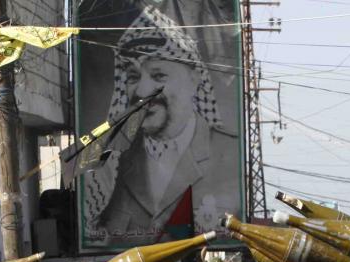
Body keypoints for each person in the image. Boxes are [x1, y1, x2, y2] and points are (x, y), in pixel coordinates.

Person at [85, 5, 239, 245]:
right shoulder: (113, 163)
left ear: (194, 80)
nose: (142, 91)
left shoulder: (228, 153)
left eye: (158, 76)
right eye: (133, 77)